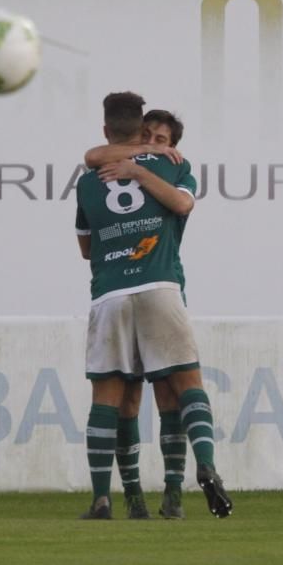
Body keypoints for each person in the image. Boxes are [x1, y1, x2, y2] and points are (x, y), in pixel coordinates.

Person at [76, 92, 232, 520]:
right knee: (186, 384)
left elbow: (85, 248)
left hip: (109, 292)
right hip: (159, 284)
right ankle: (204, 466)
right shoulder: (172, 165)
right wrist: (144, 165)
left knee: (109, 396)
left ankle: (103, 499)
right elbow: (182, 203)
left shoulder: (88, 178)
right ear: (141, 129)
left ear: (108, 130)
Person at [83, 110, 191, 519]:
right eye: (147, 135)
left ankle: (172, 494)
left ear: (173, 148)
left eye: (161, 139)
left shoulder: (172, 172)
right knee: (127, 398)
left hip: (161, 286)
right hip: (132, 290)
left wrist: (139, 167)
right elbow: (93, 154)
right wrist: (138, 156)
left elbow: (181, 204)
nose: (152, 143)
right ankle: (132, 497)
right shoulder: (107, 168)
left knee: (168, 396)